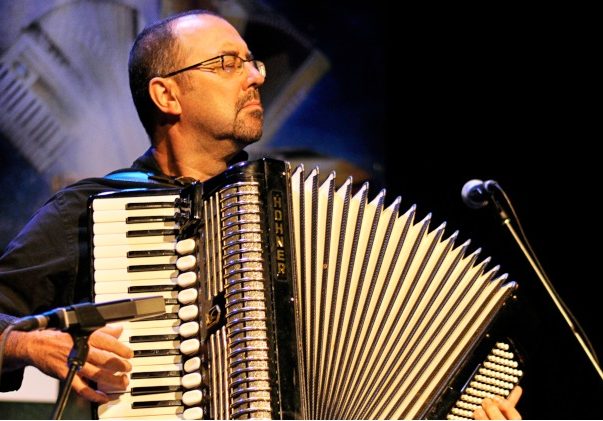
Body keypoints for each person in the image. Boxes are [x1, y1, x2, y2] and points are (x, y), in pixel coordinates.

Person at [0, 9, 523, 419]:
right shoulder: (93, 210)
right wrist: (24, 342)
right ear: (166, 95)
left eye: (253, 62)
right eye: (227, 64)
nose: (253, 77)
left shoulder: (308, 215)